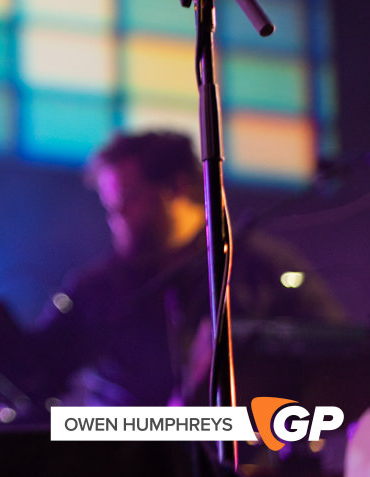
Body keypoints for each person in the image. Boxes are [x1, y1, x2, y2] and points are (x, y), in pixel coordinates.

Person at [26, 130, 345, 408]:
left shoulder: (260, 268)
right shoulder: (97, 286)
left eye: (128, 198)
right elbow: (37, 372)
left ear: (177, 187)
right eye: (110, 204)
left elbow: (335, 357)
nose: (116, 213)